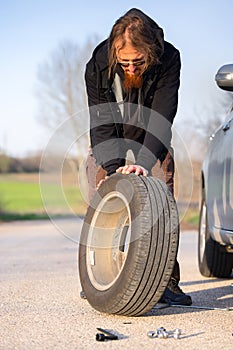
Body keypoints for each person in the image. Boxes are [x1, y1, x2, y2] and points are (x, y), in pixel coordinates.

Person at [84, 8, 192, 306]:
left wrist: (143, 162)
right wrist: (112, 167)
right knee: (102, 195)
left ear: (151, 52)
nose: (131, 68)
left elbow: (162, 113)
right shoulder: (98, 63)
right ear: (115, 53)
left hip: (151, 135)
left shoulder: (169, 58)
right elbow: (100, 119)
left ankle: (166, 281)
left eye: (139, 61)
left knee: (161, 204)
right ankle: (102, 278)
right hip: (112, 133)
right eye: (125, 62)